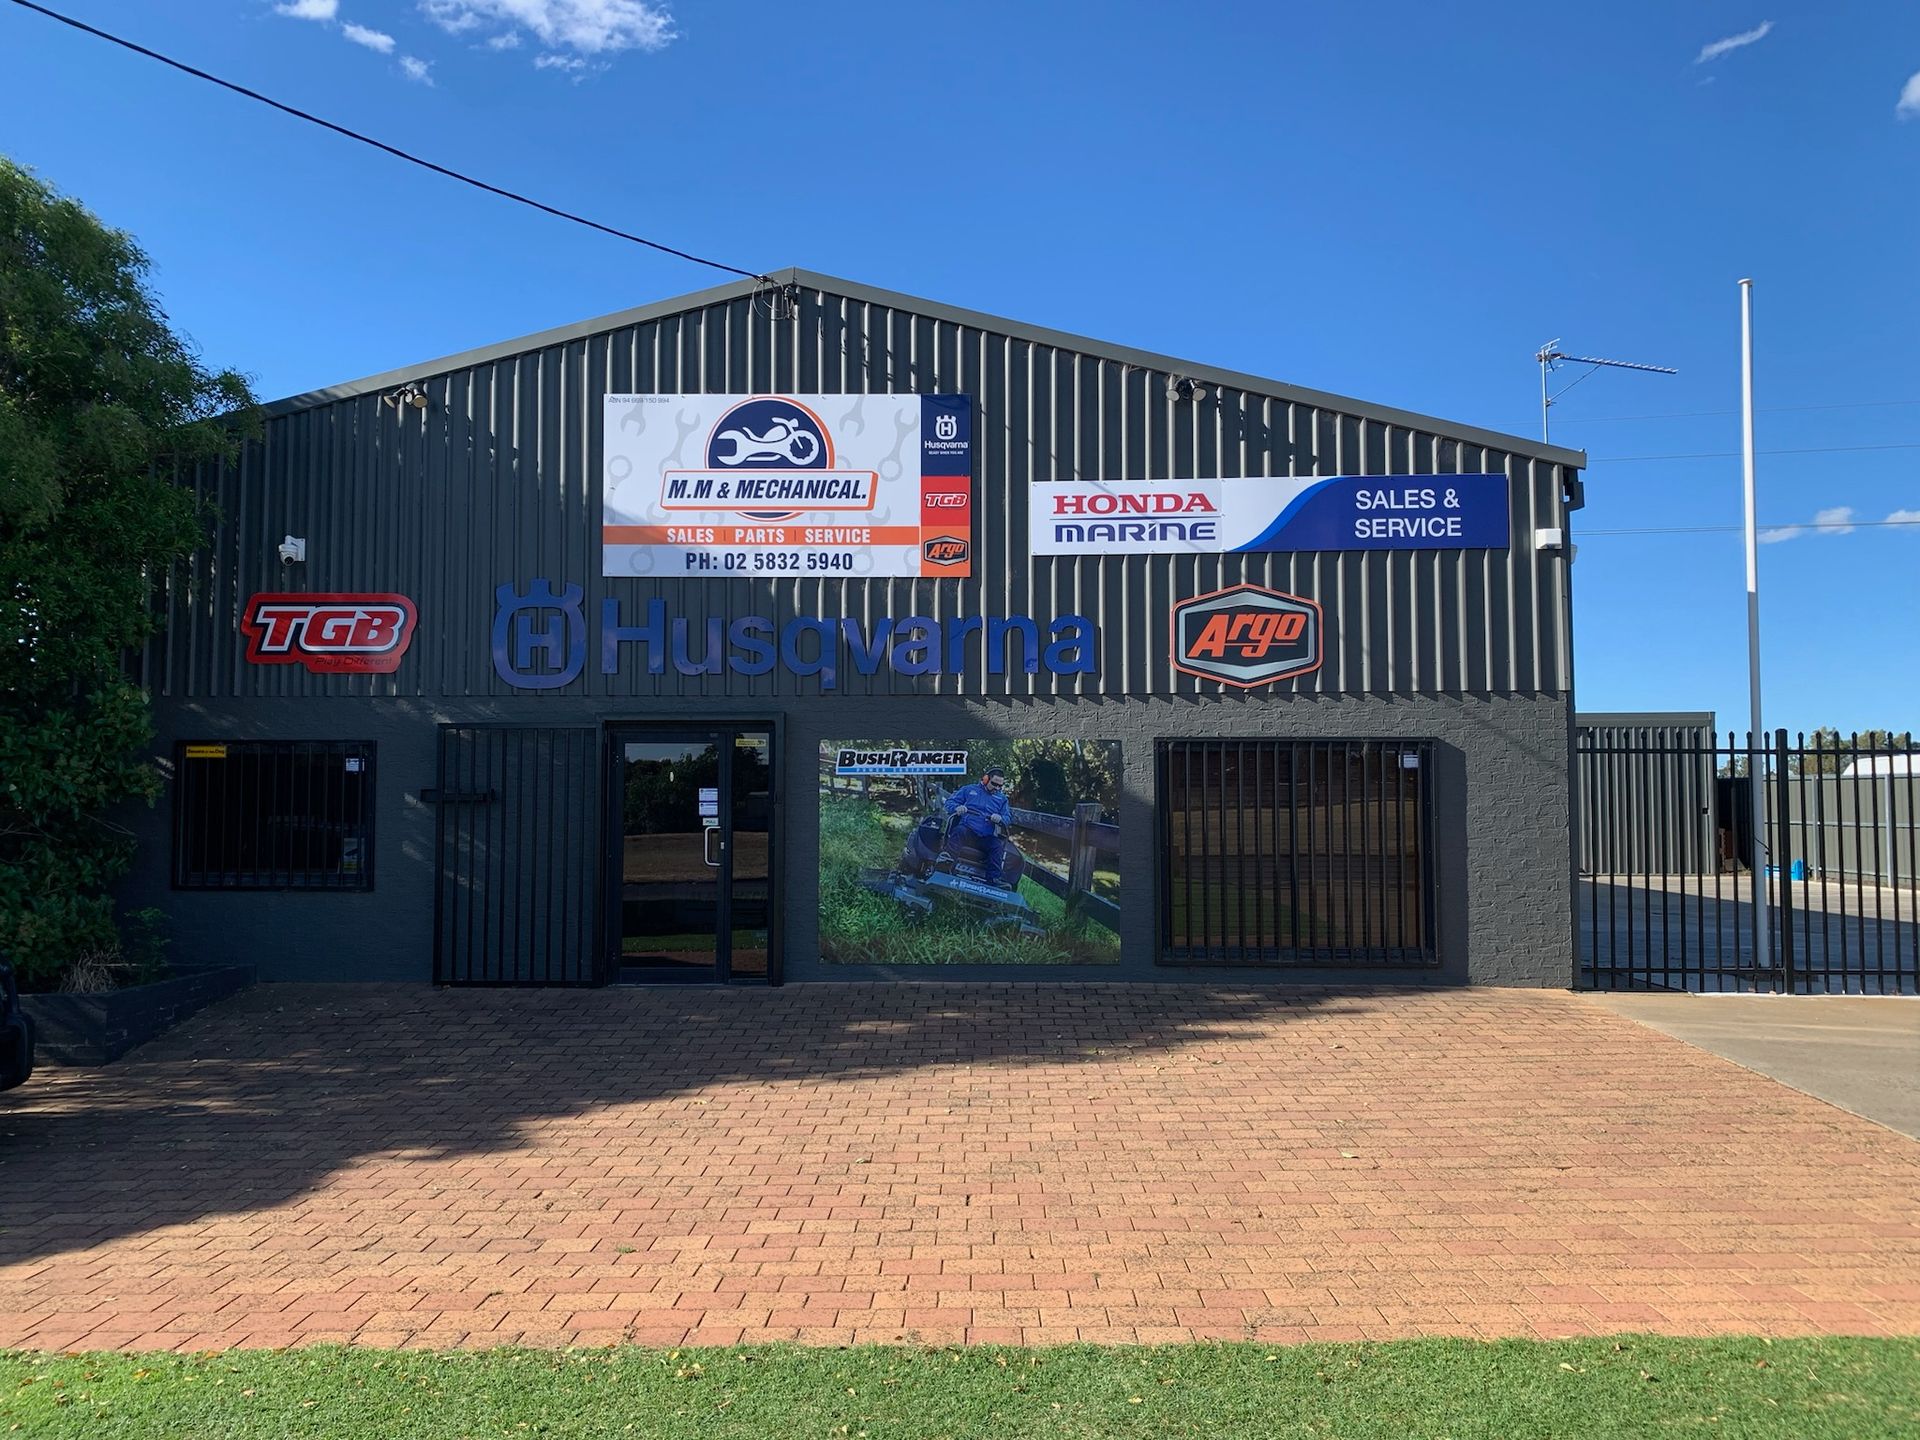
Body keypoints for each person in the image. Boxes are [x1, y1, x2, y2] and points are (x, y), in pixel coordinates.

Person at [943, 766, 1012, 885]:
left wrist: (1000, 818)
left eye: (1000, 786)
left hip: (985, 837)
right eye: (994, 784)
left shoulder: (1002, 799)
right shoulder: (968, 790)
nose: (997, 788)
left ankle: (994, 880)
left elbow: (1007, 818)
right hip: (967, 831)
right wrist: (957, 808)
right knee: (959, 831)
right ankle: (945, 865)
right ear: (985, 779)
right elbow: (949, 803)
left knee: (997, 845)